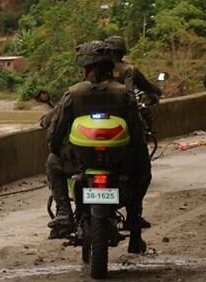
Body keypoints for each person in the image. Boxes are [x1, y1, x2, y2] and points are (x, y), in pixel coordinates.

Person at [46, 41, 149, 253]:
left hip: (80, 162)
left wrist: (56, 149)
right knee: (142, 173)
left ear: (85, 68)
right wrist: (139, 159)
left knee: (52, 163)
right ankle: (134, 223)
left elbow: (56, 134)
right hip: (119, 162)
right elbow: (137, 134)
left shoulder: (74, 94)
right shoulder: (124, 94)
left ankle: (64, 212)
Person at [105, 35, 159, 229]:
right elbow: (146, 90)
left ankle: (64, 212)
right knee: (143, 174)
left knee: (57, 165)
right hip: (124, 128)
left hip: (92, 135)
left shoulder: (88, 77)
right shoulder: (128, 72)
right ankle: (134, 217)